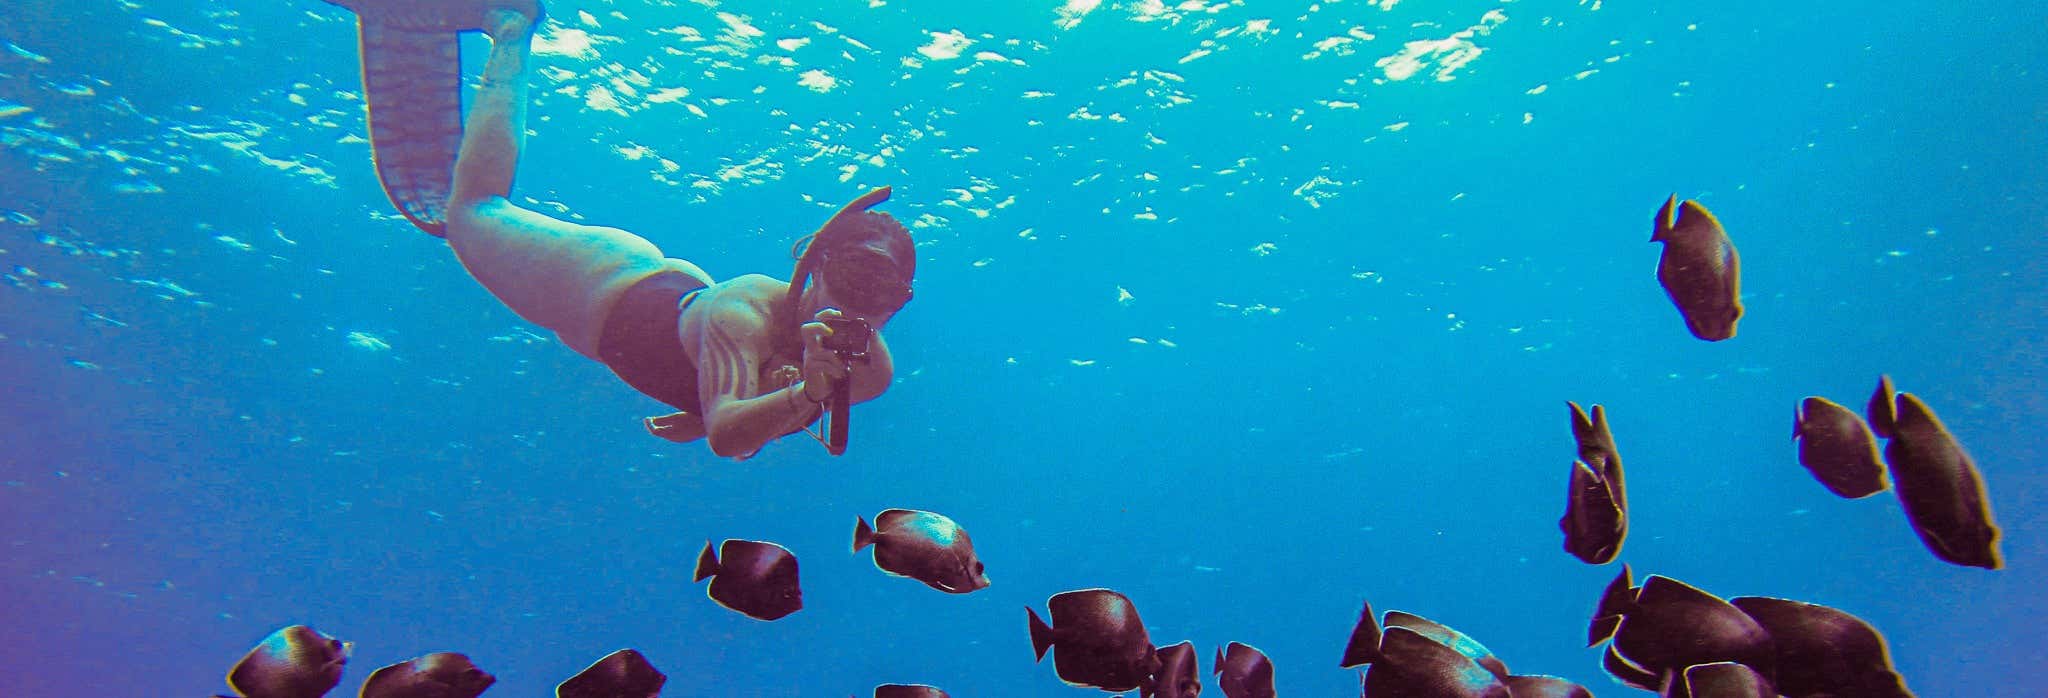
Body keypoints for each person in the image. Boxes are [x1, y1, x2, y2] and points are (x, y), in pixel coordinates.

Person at [329, 0, 914, 460]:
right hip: (606, 287)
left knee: (469, 220)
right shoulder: (747, 312)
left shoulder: (873, 372)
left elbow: (752, 420)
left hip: (671, 314)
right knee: (469, 214)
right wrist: (773, 400)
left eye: (881, 292)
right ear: (812, 263)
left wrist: (718, 399)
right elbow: (730, 439)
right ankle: (510, 26)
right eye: (852, 276)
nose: (858, 303)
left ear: (901, 303)